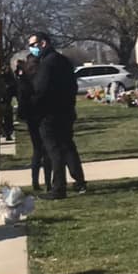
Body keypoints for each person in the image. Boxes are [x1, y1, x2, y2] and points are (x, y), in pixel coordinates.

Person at [29, 31, 87, 199]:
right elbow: (73, 86)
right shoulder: (63, 61)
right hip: (66, 110)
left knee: (54, 150)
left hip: (50, 113)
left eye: (33, 45)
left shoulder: (47, 64)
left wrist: (32, 104)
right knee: (67, 146)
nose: (32, 48)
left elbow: (41, 89)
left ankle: (58, 187)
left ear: (43, 43)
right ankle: (79, 181)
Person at [17, 55, 51, 191]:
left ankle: (36, 182)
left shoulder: (24, 79)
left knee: (37, 150)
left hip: (32, 117)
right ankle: (48, 182)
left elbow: (21, 98)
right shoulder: (40, 79)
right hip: (42, 116)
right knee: (46, 151)